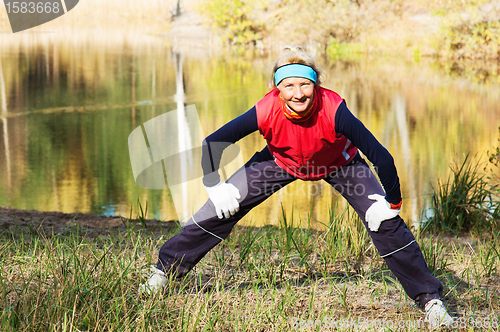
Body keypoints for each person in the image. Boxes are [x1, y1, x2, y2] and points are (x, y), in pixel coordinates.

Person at [140, 46, 454, 328]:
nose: (298, 93)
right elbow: (212, 144)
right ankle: (164, 272)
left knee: (384, 221)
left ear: (316, 84)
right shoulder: (265, 110)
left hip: (339, 163)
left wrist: (392, 204)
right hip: (281, 161)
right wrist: (213, 185)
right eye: (288, 85)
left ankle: (430, 300)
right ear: (276, 88)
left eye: (305, 84)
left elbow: (381, 157)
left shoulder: (333, 109)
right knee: (221, 207)